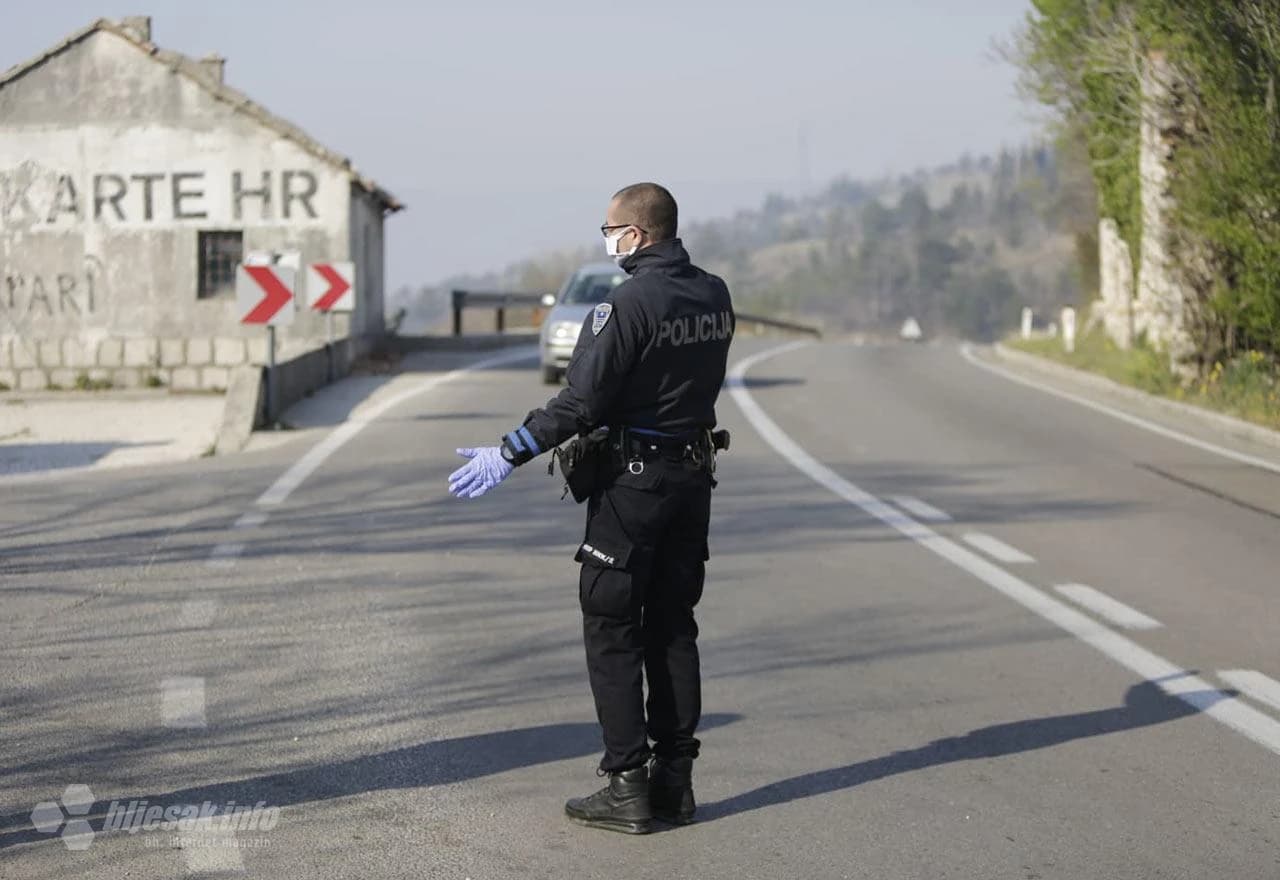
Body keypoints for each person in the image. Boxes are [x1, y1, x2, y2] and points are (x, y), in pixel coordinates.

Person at [447, 182, 735, 834]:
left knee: (612, 627)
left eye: (610, 229)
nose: (606, 239)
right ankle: (675, 783)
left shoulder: (628, 303)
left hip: (633, 491)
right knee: (673, 626)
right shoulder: (714, 294)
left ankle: (627, 784)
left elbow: (579, 404)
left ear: (635, 234)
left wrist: (509, 451)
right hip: (693, 480)